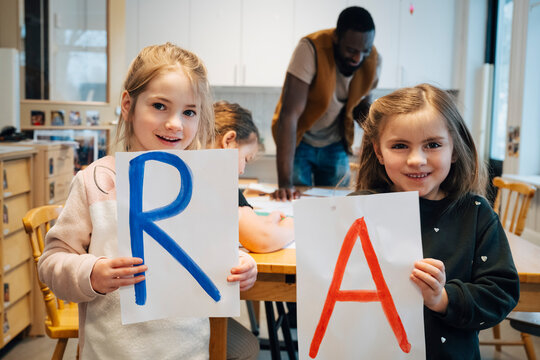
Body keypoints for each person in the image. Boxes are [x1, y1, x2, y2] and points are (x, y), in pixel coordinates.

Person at [37, 43, 258, 360]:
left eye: (189, 112)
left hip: (188, 351)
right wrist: (92, 273)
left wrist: (242, 263)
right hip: (109, 352)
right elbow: (51, 263)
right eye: (159, 106)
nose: (175, 124)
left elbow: (218, 250)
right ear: (128, 104)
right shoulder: (96, 181)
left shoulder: (204, 183)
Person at [351, 83, 520, 359]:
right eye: (400, 146)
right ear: (379, 152)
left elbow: (500, 293)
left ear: (453, 149)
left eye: (432, 144)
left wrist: (443, 299)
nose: (416, 160)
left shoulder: (476, 214)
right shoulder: (357, 209)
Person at [272, 6, 381, 201]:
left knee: (336, 202)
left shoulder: (373, 60)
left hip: (335, 143)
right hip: (300, 141)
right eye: (351, 50)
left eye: (364, 51)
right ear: (336, 38)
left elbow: (362, 112)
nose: (358, 58)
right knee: (295, 201)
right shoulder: (310, 48)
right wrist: (285, 184)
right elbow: (289, 115)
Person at [211, 100, 294, 253]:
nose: (242, 170)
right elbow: (263, 239)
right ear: (229, 141)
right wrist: (293, 225)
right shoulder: (216, 182)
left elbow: (245, 222)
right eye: (246, 159)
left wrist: (270, 220)